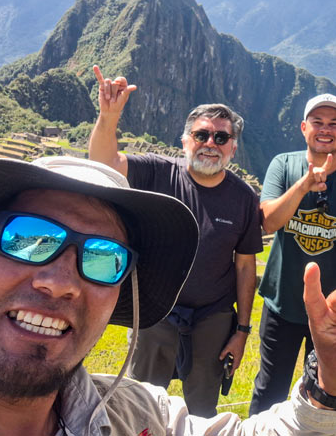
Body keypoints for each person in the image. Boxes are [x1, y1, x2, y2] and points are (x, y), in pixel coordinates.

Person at [0, 156, 336, 435]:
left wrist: (332, 384)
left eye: (102, 257)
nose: (60, 280)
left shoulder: (134, 419)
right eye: (29, 238)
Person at [88, 66, 261, 416]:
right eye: (202, 135)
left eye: (221, 139)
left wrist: (241, 331)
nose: (210, 144)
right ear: (185, 140)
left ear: (232, 149)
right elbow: (104, 162)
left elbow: (245, 266)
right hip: (156, 311)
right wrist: (109, 118)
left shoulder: (243, 198)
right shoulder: (158, 172)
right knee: (140, 402)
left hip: (212, 317)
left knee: (201, 407)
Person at [250, 93, 336, 415]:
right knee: (270, 387)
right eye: (318, 123)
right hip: (282, 303)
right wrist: (303, 185)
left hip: (332, 310)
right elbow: (268, 221)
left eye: (333, 123)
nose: (325, 130)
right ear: (304, 128)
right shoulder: (284, 165)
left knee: (327, 390)